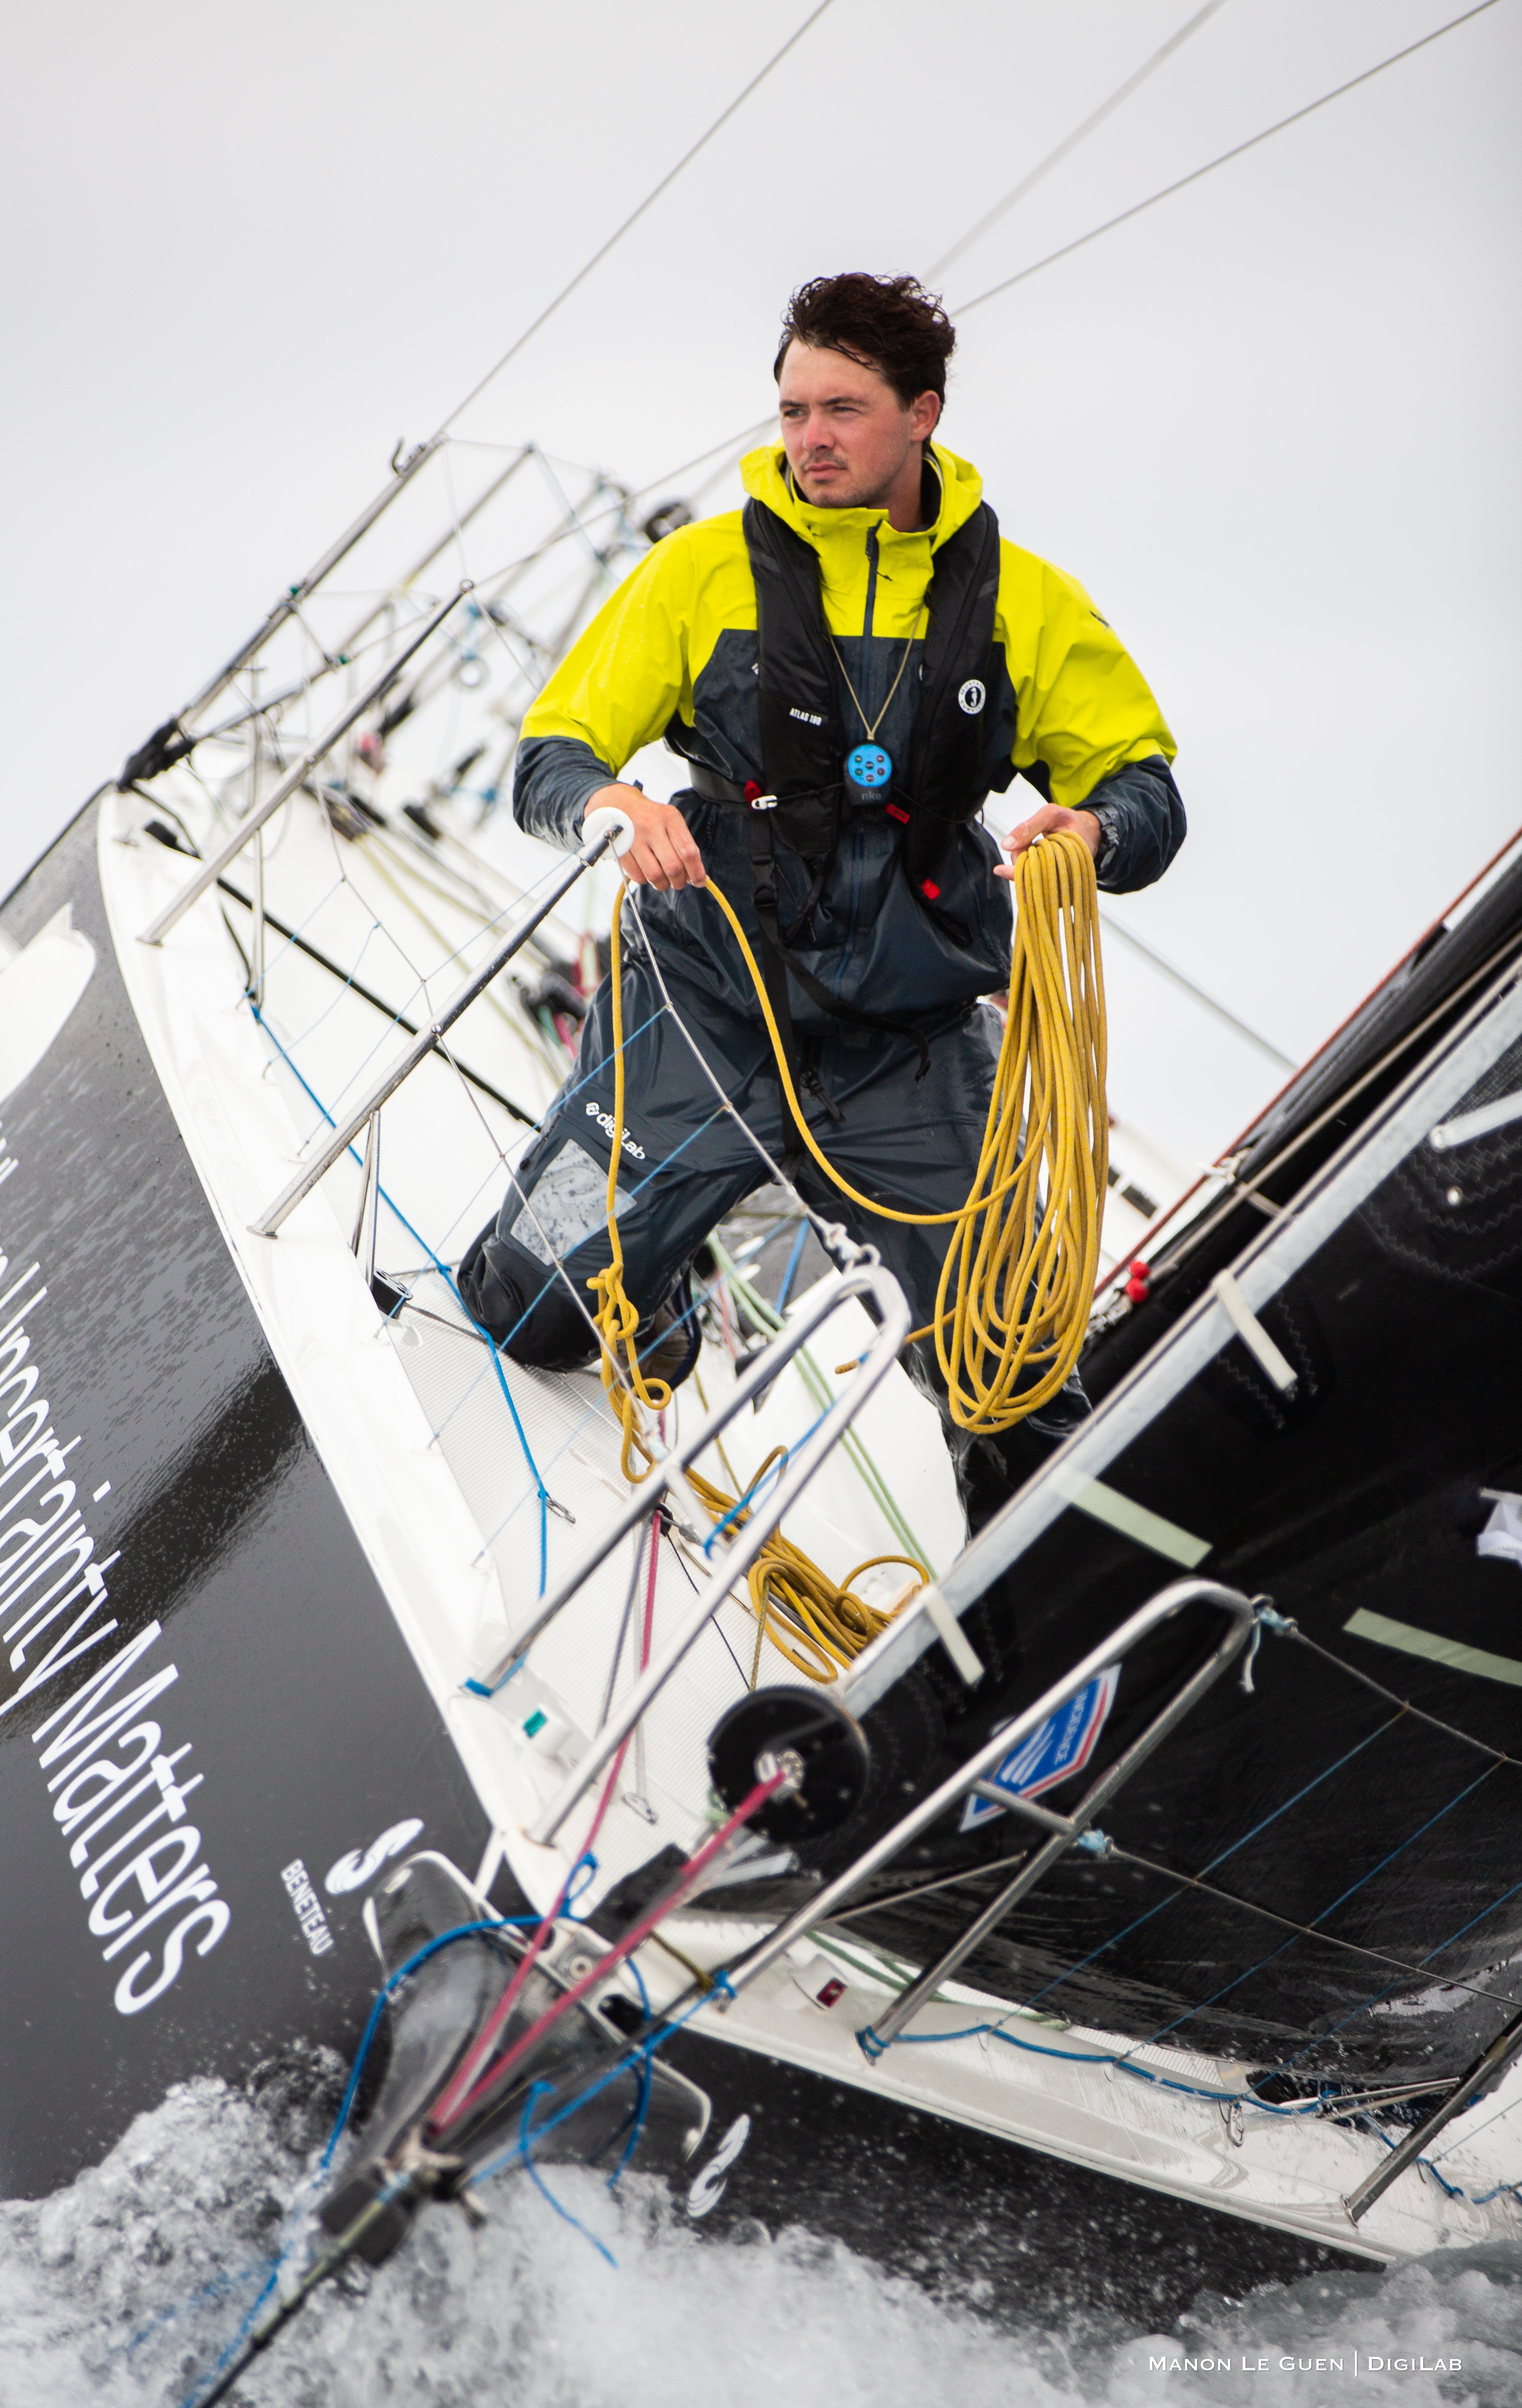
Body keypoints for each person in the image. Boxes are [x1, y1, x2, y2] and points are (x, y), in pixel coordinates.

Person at [458, 272, 1183, 1531]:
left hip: (907, 1048)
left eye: (841, 408)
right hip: (697, 1013)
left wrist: (1097, 830)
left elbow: (1147, 790)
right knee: (529, 1293)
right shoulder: (697, 575)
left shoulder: (1028, 605)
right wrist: (612, 809)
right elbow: (550, 757)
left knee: (1010, 1380)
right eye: (792, 409)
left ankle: (1030, 1635)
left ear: (924, 414)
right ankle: (663, 1278)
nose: (809, 438)